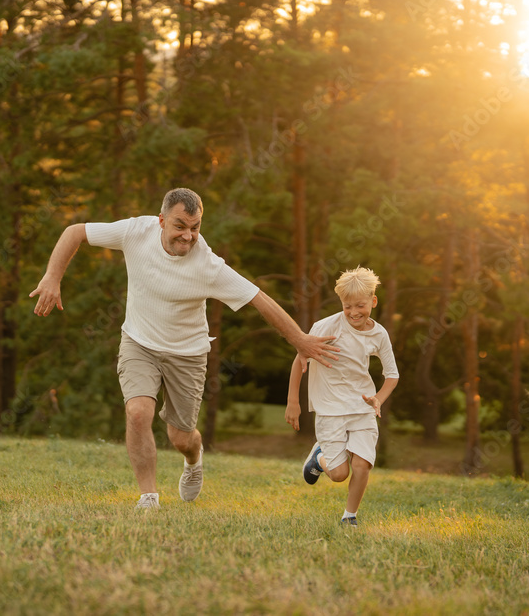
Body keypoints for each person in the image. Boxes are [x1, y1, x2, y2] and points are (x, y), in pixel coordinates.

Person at [30, 188, 339, 509]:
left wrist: (300, 340)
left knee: (181, 437)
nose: (188, 236)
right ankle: (148, 497)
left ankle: (193, 459)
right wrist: (53, 276)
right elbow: (75, 231)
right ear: (161, 221)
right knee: (137, 413)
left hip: (187, 354)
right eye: (180, 226)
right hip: (139, 343)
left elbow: (259, 299)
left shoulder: (208, 265)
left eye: (195, 227)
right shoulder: (135, 231)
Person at [284, 266, 399, 526]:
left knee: (362, 464)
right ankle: (319, 457)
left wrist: (378, 398)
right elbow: (299, 361)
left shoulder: (379, 334)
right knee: (338, 475)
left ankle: (350, 517)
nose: (354, 312)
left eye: (360, 305)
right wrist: (293, 402)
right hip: (330, 408)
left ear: (373, 301)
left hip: (362, 408)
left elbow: (392, 375)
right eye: (347, 306)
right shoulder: (326, 327)